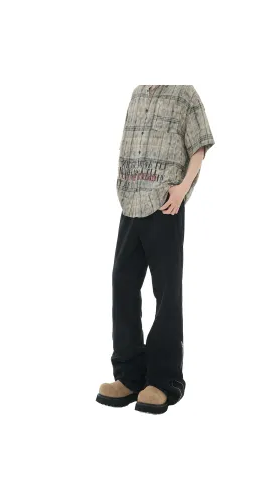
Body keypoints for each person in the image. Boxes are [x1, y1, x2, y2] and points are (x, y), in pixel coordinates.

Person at [96, 85, 215, 414]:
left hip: (166, 204)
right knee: (122, 282)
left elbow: (199, 144)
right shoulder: (138, 93)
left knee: (166, 291)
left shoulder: (184, 93)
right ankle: (129, 376)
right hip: (131, 202)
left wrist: (182, 188)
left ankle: (163, 380)